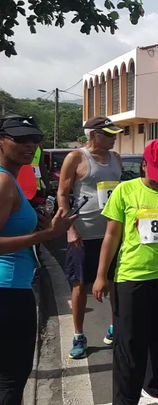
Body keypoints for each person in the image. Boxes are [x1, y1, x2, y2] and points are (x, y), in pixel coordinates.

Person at [92, 140, 158, 405]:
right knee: (129, 343)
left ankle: (157, 387)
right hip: (133, 277)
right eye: (156, 177)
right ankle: (125, 398)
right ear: (144, 166)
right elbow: (111, 236)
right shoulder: (125, 191)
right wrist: (101, 275)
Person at [0, 116, 75, 404]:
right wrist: (46, 236)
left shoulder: (12, 178)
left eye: (34, 140)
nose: (29, 146)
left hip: (13, 288)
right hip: (8, 293)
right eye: (19, 139)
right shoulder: (4, 181)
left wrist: (39, 227)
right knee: (11, 378)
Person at [57, 116, 123, 359]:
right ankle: (79, 335)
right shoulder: (76, 157)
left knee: (117, 282)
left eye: (114, 133)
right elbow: (63, 194)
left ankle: (116, 327)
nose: (114, 138)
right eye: (109, 134)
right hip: (84, 234)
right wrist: (70, 230)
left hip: (112, 233)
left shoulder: (116, 158)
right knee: (80, 286)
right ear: (93, 135)